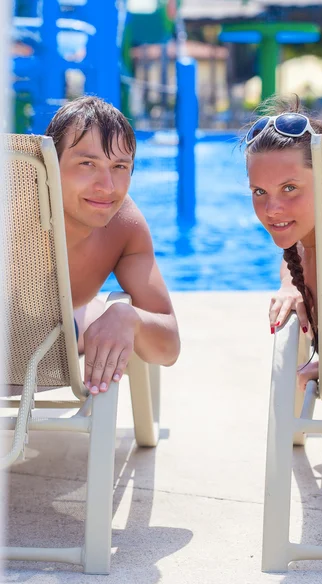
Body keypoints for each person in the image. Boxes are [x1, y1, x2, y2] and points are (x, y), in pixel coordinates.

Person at [44, 95, 180, 396]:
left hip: (57, 337)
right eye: (86, 163)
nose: (107, 187)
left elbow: (169, 347)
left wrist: (129, 318)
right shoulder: (12, 204)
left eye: (120, 166)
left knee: (88, 318)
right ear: (47, 164)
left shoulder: (124, 226)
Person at [244, 97, 322, 390]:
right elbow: (292, 257)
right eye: (259, 191)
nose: (272, 209)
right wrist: (290, 284)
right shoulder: (311, 246)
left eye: (290, 188)